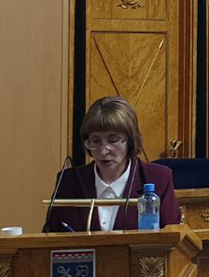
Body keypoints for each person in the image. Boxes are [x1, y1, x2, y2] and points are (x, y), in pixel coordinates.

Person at [45, 96, 181, 232]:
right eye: (95, 141)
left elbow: (173, 237)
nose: (103, 151)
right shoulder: (68, 181)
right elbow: (50, 236)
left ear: (130, 140)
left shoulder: (158, 178)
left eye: (113, 140)